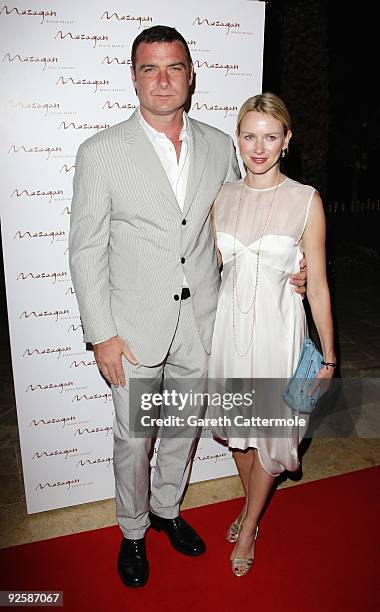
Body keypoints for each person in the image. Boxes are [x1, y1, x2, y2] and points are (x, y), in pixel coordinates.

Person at [69, 26, 306, 589]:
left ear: (191, 74)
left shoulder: (219, 144)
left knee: (180, 431)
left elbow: (247, 217)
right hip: (132, 328)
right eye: (150, 69)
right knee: (134, 437)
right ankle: (131, 531)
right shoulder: (100, 152)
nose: (162, 80)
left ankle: (166, 511)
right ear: (133, 76)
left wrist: (289, 268)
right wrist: (101, 333)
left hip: (203, 322)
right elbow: (85, 249)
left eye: (173, 67)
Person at [208, 92, 336, 577]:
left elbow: (319, 285)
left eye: (269, 137)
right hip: (229, 337)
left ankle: (249, 524)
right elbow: (210, 272)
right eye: (248, 136)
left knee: (271, 437)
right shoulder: (221, 198)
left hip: (279, 337)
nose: (258, 148)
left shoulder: (306, 200)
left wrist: (329, 357)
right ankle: (251, 509)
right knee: (240, 437)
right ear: (238, 141)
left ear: (286, 142)